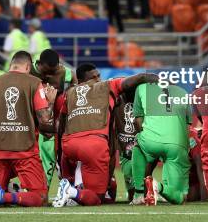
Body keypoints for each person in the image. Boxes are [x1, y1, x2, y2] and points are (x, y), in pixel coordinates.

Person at [52, 67, 158, 207]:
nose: (98, 79)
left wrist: (60, 154)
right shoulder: (107, 86)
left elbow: (61, 125)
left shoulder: (70, 92)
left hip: (69, 145)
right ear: (82, 80)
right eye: (94, 77)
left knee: (102, 186)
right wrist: (163, 81)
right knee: (97, 198)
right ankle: (72, 192)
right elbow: (139, 78)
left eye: (99, 76)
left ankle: (74, 190)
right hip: (93, 144)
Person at [0, 51, 57, 209]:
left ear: (11, 64)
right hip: (25, 151)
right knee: (41, 198)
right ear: (28, 66)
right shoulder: (34, 82)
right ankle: (4, 196)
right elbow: (44, 119)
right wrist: (50, 102)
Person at [130, 81, 191, 206]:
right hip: (177, 145)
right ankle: (159, 187)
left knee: (138, 143)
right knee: (180, 197)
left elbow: (138, 120)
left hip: (150, 141)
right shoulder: (184, 92)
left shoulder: (141, 87)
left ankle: (139, 194)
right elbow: (187, 126)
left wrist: (146, 135)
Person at [30, 49, 76, 189]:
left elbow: (73, 98)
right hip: (33, 125)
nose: (48, 75)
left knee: (64, 160)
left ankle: (68, 189)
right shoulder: (28, 72)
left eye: (53, 71)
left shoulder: (67, 74)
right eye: (45, 72)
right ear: (38, 64)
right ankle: (36, 190)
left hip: (57, 126)